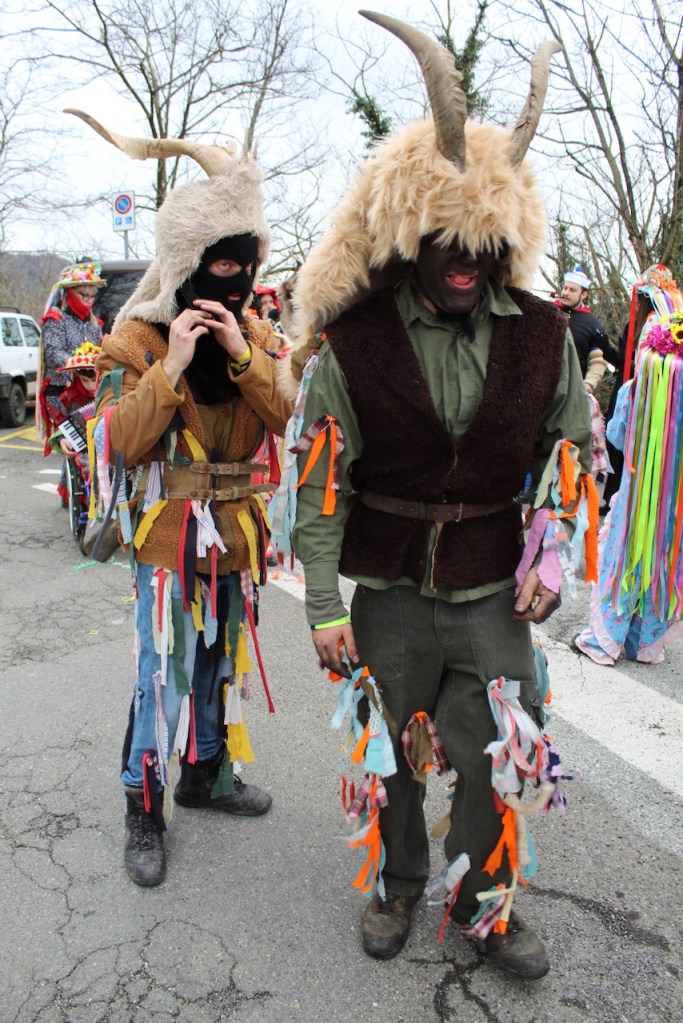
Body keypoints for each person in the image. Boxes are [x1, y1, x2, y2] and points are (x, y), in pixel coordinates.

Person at [283, 14, 593, 980]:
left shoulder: (543, 334)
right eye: (448, 242)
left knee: (498, 746)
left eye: (483, 245)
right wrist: (324, 603)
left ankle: (484, 900)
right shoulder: (356, 341)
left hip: (493, 592)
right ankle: (396, 882)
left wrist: (549, 552)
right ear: (415, 234)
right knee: (385, 747)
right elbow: (320, 481)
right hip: (388, 593)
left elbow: (570, 451)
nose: (465, 261)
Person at [70, 110, 292, 887]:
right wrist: (173, 365)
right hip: (167, 538)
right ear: (189, 265)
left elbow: (288, 416)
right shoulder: (136, 340)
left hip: (234, 535)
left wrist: (238, 354)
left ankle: (206, 774)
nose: (234, 284)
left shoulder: (258, 337)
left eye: (245, 268)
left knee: (218, 665)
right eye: (220, 266)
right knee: (160, 673)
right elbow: (118, 442)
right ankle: (144, 808)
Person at [575, 305, 683, 665]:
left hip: (636, 497)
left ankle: (606, 641)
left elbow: (618, 438)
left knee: (623, 559)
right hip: (676, 506)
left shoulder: (633, 390)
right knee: (662, 562)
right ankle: (644, 644)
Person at [38, 262, 106, 501]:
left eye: (92, 296)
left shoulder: (95, 324)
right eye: (83, 295)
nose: (89, 301)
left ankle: (83, 490)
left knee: (87, 441)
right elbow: (53, 353)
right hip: (62, 393)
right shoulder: (55, 320)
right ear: (69, 293)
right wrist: (80, 363)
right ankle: (74, 492)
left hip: (88, 390)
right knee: (72, 440)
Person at [555, 265, 617, 480]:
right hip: (543, 389)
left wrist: (588, 384)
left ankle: (566, 486)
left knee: (568, 445)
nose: (565, 292)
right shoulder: (548, 313)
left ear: (584, 294)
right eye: (565, 288)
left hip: (573, 393)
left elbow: (598, 361)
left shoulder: (592, 324)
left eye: (572, 290)